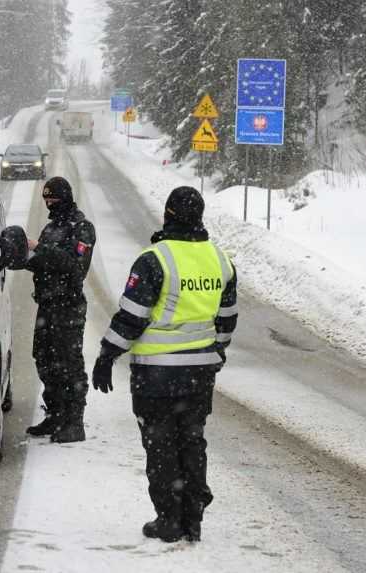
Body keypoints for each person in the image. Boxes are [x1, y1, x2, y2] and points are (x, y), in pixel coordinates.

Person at [91, 186, 237, 543]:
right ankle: (193, 515)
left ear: (169, 214)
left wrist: (108, 355)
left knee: (160, 444)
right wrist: (214, 354)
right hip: (199, 373)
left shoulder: (154, 259)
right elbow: (227, 318)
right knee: (191, 440)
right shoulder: (220, 259)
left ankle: (169, 519)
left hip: (156, 374)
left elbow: (132, 316)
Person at [23, 176, 96, 443]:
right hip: (47, 305)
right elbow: (41, 261)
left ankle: (74, 422)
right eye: (46, 199)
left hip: (68, 307)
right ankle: (55, 415)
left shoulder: (82, 228)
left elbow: (75, 266)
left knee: (69, 364)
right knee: (43, 359)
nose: (49, 203)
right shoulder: (50, 229)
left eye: (53, 198)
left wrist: (39, 249)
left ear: (65, 196)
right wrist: (20, 255)